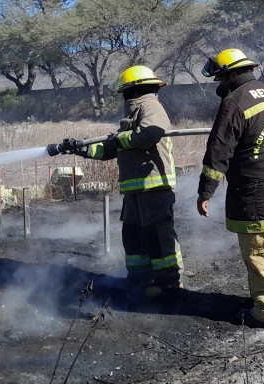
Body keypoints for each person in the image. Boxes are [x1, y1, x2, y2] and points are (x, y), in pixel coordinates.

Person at [47, 65, 183, 299]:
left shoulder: (151, 107)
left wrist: (120, 139)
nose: (123, 97)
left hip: (154, 187)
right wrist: (80, 149)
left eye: (124, 92)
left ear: (134, 90)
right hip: (135, 191)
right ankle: (139, 279)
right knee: (133, 236)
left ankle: (169, 284)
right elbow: (110, 149)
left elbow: (150, 134)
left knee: (159, 238)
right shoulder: (134, 113)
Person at [198, 48, 264, 328]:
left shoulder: (234, 101)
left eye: (220, 77)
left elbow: (217, 152)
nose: (218, 84)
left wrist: (205, 192)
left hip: (256, 194)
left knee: (263, 248)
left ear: (230, 74)